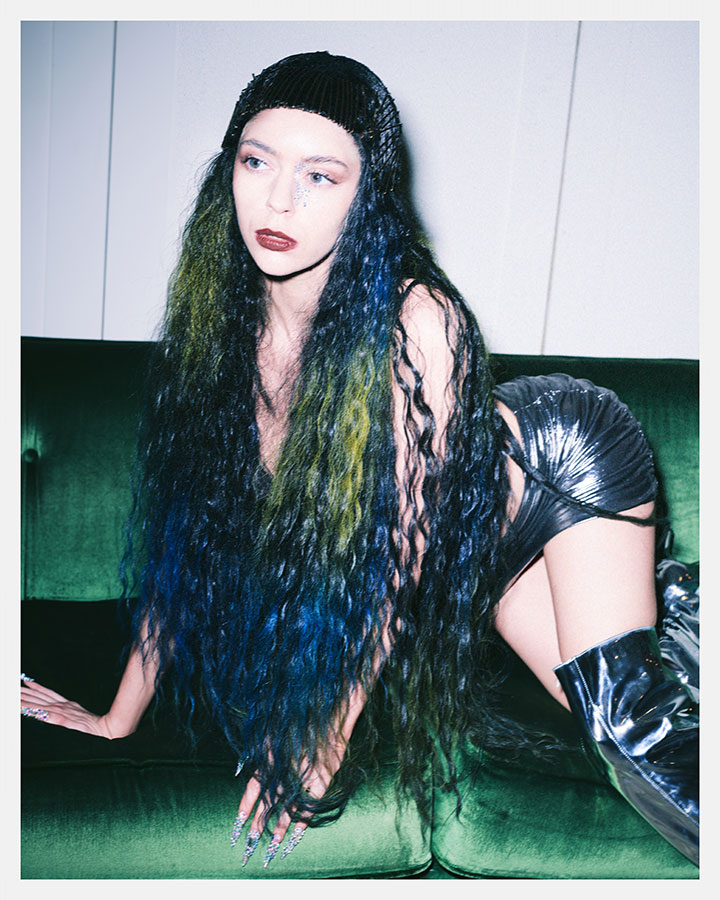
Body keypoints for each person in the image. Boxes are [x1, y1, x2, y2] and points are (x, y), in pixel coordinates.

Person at [21, 51, 698, 870]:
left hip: (558, 464)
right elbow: (183, 542)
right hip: (478, 551)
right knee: (604, 715)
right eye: (257, 162)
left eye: (320, 176)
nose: (279, 199)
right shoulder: (220, 332)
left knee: (633, 733)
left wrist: (322, 740)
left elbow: (395, 553)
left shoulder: (420, 321)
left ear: (366, 194)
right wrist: (116, 718)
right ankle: (676, 603)